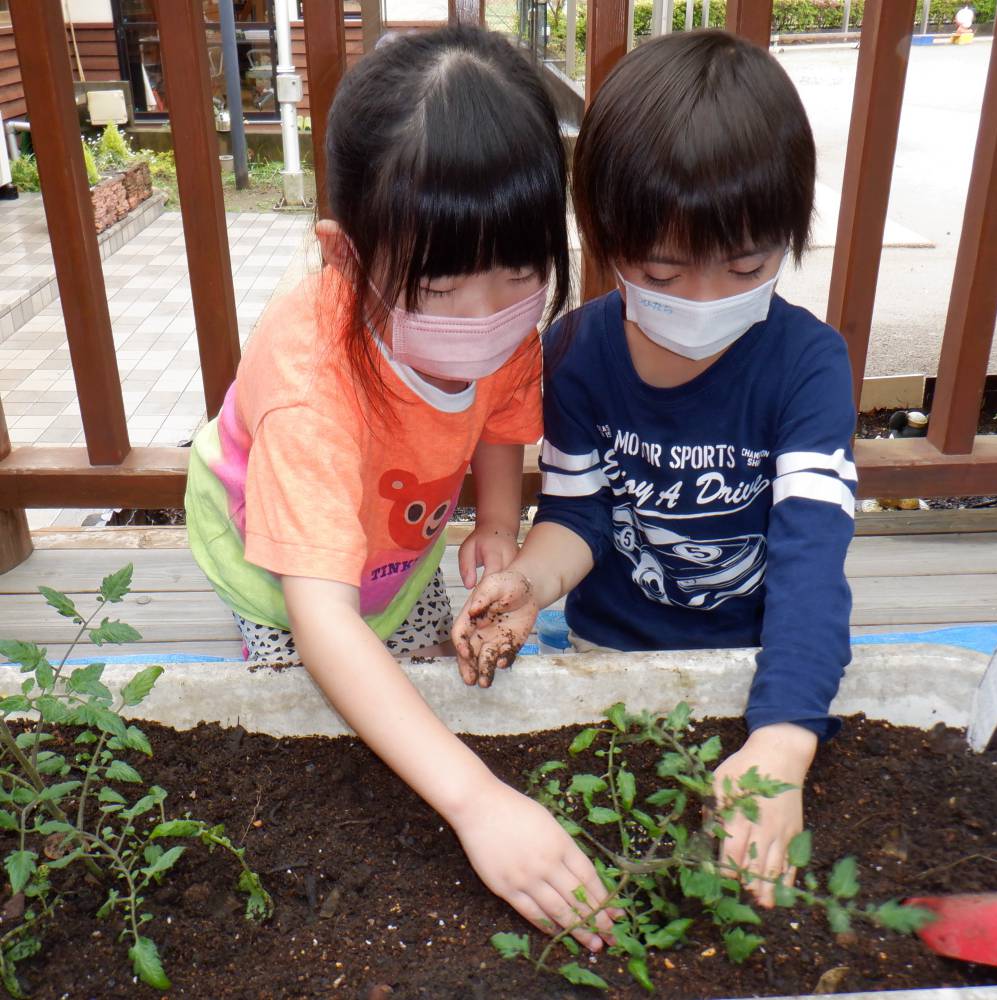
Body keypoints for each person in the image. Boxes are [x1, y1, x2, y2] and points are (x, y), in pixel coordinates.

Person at [185, 27, 613, 950]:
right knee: (312, 710)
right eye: (442, 288)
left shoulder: (504, 321)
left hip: (398, 540)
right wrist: (478, 802)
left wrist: (496, 522)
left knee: (412, 666)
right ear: (346, 256)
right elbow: (322, 621)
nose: (486, 316)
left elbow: (500, 415)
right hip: (280, 571)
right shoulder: (310, 389)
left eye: (520, 274)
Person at [453, 29, 857, 908]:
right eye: (662, 272)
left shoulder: (808, 367)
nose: (704, 301)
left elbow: (809, 563)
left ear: (789, 236)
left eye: (745, 266)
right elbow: (580, 517)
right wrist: (528, 582)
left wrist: (783, 737)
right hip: (610, 657)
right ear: (604, 238)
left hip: (758, 667)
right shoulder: (577, 351)